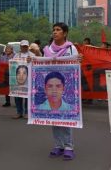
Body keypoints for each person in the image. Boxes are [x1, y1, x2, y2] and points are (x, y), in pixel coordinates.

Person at [41, 22, 81, 161]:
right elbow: (41, 66)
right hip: (52, 86)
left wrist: (78, 60)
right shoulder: (46, 49)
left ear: (65, 33)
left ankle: (69, 147)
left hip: (67, 87)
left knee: (66, 118)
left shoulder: (71, 49)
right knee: (54, 118)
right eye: (54, 30)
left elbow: (76, 66)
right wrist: (31, 61)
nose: (55, 32)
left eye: (58, 30)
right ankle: (58, 145)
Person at [12, 40, 35, 119]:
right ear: (20, 47)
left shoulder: (32, 55)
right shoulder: (16, 55)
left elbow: (35, 64)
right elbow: (13, 65)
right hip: (18, 78)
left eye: (26, 46)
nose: (24, 48)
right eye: (23, 46)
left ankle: (27, 112)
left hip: (28, 78)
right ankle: (19, 112)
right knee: (18, 95)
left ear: (28, 47)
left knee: (27, 96)